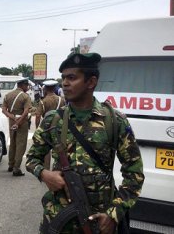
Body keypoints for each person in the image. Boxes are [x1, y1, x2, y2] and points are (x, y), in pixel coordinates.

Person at [26, 53, 144, 233]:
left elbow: (134, 174)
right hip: (59, 219)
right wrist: (44, 174)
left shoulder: (114, 121)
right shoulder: (53, 120)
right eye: (64, 78)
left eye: (72, 78)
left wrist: (114, 214)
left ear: (91, 82)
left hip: (99, 221)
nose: (65, 83)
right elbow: (32, 157)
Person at [1, 78, 32, 176]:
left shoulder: (8, 95)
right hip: (22, 122)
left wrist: (12, 118)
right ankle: (16, 168)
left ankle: (10, 165)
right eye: (26, 85)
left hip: (12, 121)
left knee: (13, 143)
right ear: (22, 85)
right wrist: (18, 122)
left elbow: (4, 110)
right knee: (21, 145)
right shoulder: (25, 96)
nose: (27, 87)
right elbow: (26, 111)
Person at [35, 79, 66, 170]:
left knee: (46, 150)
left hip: (46, 127)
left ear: (45, 89)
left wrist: (38, 128)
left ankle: (46, 169)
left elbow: (37, 116)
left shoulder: (43, 101)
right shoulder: (62, 99)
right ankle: (60, 169)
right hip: (59, 126)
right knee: (60, 148)